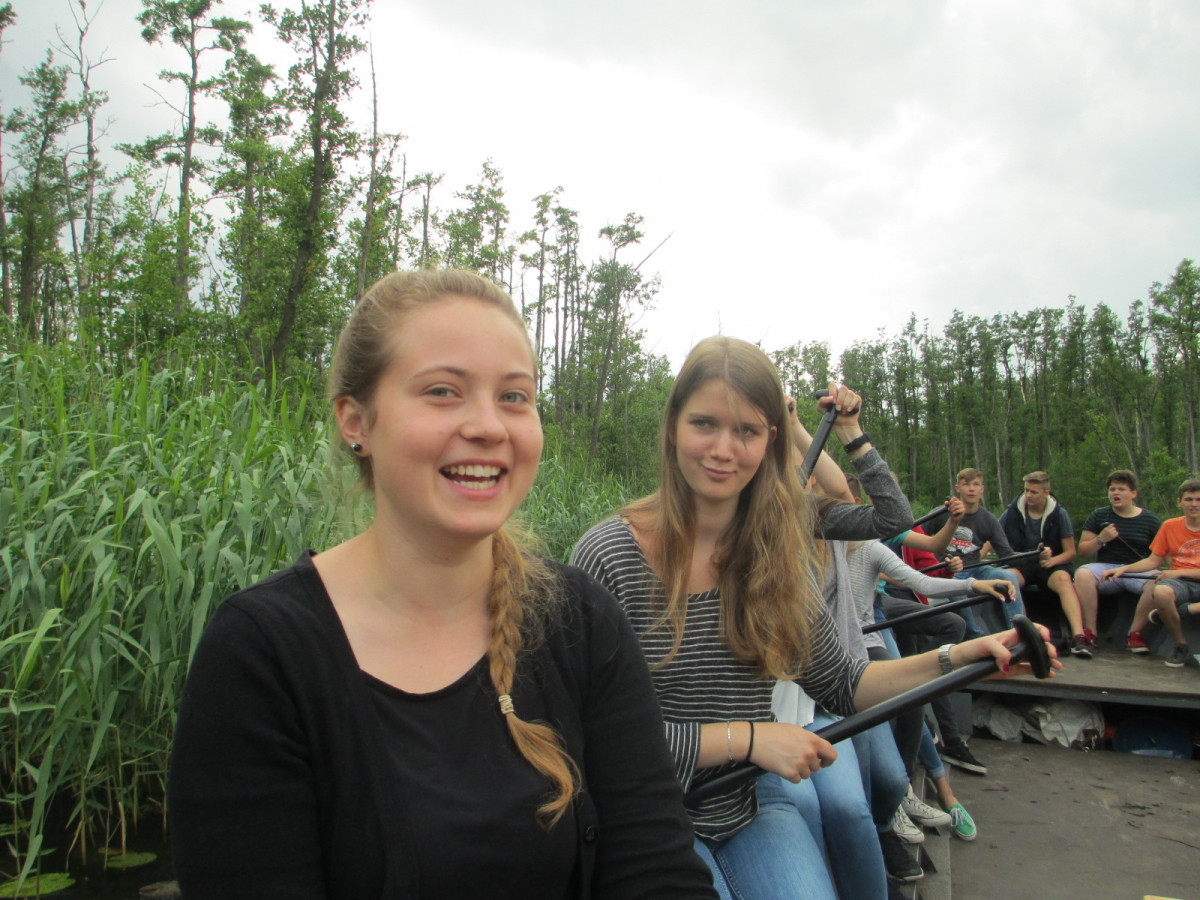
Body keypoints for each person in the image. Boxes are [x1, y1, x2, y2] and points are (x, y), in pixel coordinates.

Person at [168, 270, 718, 899]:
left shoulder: (581, 622)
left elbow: (654, 868)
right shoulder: (260, 656)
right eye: (442, 391)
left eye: (514, 396)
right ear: (357, 421)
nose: (489, 426)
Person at [569, 336, 1058, 900]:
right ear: (673, 425)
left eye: (747, 431)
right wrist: (748, 738)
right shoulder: (609, 558)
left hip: (749, 799)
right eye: (704, 424)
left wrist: (959, 657)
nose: (723, 449)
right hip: (645, 810)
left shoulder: (776, 553)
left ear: (770, 441)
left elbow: (847, 684)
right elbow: (592, 742)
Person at [1105, 477, 1200, 667]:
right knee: (1161, 592)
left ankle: (1182, 611)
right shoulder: (1170, 526)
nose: (1194, 504)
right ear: (1179, 502)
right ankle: (1180, 644)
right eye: (1189, 499)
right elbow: (1153, 561)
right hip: (1180, 583)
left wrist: (1178, 573)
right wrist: (1124, 569)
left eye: (1198, 500)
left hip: (1181, 576)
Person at [999, 471, 1091, 658]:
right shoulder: (1012, 512)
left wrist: (1052, 560)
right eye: (1026, 491)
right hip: (1022, 563)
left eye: (1034, 492)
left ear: (1046, 493)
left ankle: (1078, 637)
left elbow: (1070, 552)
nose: (1029, 495)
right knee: (1007, 579)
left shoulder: (1059, 514)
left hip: (1051, 565)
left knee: (1064, 580)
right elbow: (992, 537)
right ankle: (1020, 634)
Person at [1074, 469, 1163, 647]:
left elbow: (1162, 555)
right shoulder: (1099, 516)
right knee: (1083, 574)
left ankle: (1135, 634)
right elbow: (1083, 551)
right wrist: (1101, 539)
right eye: (1112, 489)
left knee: (1158, 582)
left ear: (1133, 494)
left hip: (1137, 570)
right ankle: (1090, 632)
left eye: (1121, 489)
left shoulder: (1151, 520)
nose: (1116, 493)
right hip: (1106, 569)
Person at [940, 468, 1025, 640]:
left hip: (976, 569)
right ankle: (977, 636)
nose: (971, 489)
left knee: (1008, 576)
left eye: (976, 484)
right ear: (958, 488)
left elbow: (1006, 554)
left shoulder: (989, 520)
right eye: (966, 484)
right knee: (955, 587)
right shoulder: (942, 513)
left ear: (982, 489)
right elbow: (919, 537)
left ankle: (1018, 633)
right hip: (949, 572)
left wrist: (1036, 556)